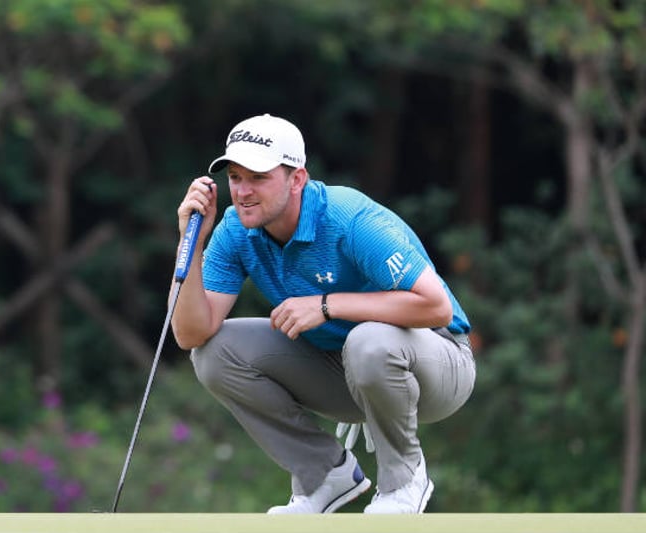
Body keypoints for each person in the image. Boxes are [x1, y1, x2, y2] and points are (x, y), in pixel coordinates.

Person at [171, 113, 476, 514]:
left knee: (369, 341)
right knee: (214, 353)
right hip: (345, 370)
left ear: (297, 179)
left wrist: (328, 306)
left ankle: (404, 483)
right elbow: (190, 333)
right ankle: (323, 475)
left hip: (438, 362)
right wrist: (190, 244)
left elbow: (435, 306)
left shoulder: (348, 218)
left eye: (258, 178)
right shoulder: (235, 230)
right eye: (235, 178)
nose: (243, 191)